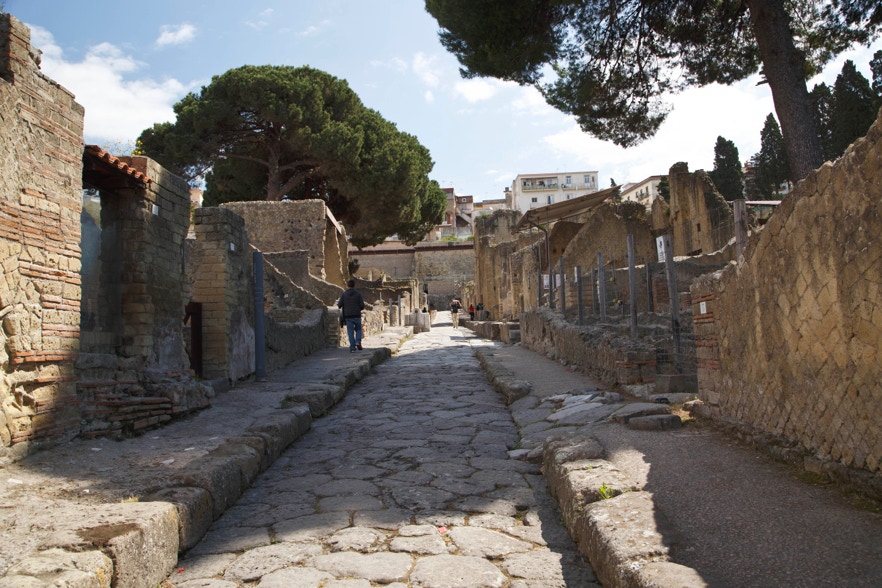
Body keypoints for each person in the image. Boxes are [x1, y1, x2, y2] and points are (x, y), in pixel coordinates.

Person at [337, 279, 365, 352]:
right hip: (357, 315)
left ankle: (352, 348)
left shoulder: (344, 294)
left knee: (350, 331)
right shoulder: (358, 294)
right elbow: (362, 306)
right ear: (354, 285)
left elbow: (339, 305)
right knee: (358, 329)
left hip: (348, 316)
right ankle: (358, 341)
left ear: (347, 285)